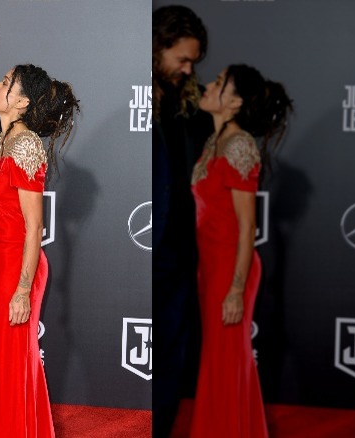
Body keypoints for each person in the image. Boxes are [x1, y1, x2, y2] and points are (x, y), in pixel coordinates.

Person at [0, 64, 79, 438]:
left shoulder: (25, 144)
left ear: (20, 102)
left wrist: (22, 288)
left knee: (11, 361)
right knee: (11, 362)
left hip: (17, 269)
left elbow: (35, 226)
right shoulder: (1, 141)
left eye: (5, 83)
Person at [190, 64, 292, 438]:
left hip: (231, 270)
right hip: (210, 267)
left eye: (219, 83)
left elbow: (248, 226)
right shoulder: (214, 142)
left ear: (234, 101)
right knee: (222, 363)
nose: (209, 85)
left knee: (226, 361)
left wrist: (236, 287)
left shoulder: (240, 145)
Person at [151, 6, 212, 437]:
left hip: (181, 250)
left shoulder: (197, 106)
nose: (188, 69)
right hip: (139, 249)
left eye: (193, 61)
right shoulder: (136, 95)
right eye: (182, 59)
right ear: (159, 48)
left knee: (173, 349)